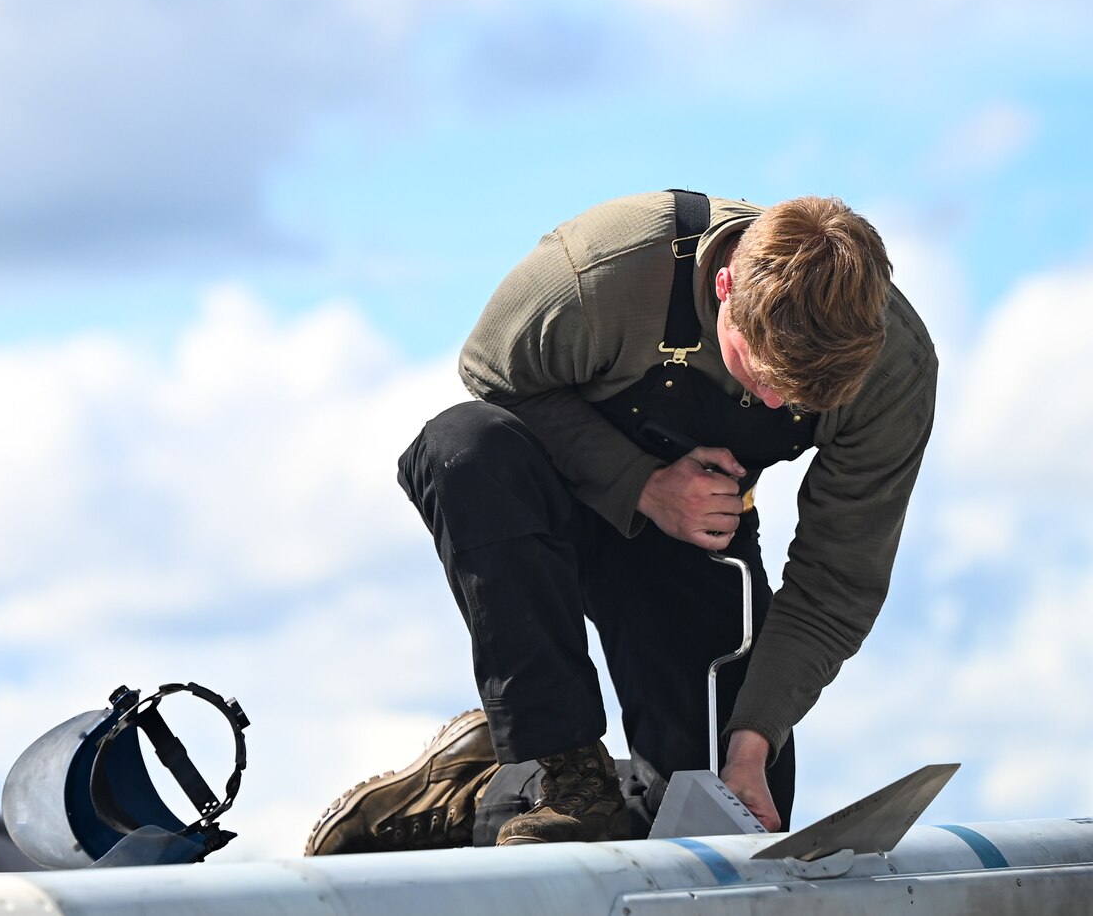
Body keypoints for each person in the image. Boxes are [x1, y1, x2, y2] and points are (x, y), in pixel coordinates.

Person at [307, 191, 937, 852]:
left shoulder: (893, 370)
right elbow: (488, 371)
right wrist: (643, 484)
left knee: (721, 827)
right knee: (465, 448)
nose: (774, 400)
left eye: (801, 395)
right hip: (549, 505)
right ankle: (562, 765)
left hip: (693, 535)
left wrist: (753, 741)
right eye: (760, 368)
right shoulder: (603, 269)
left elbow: (835, 585)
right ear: (723, 286)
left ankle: (479, 791)